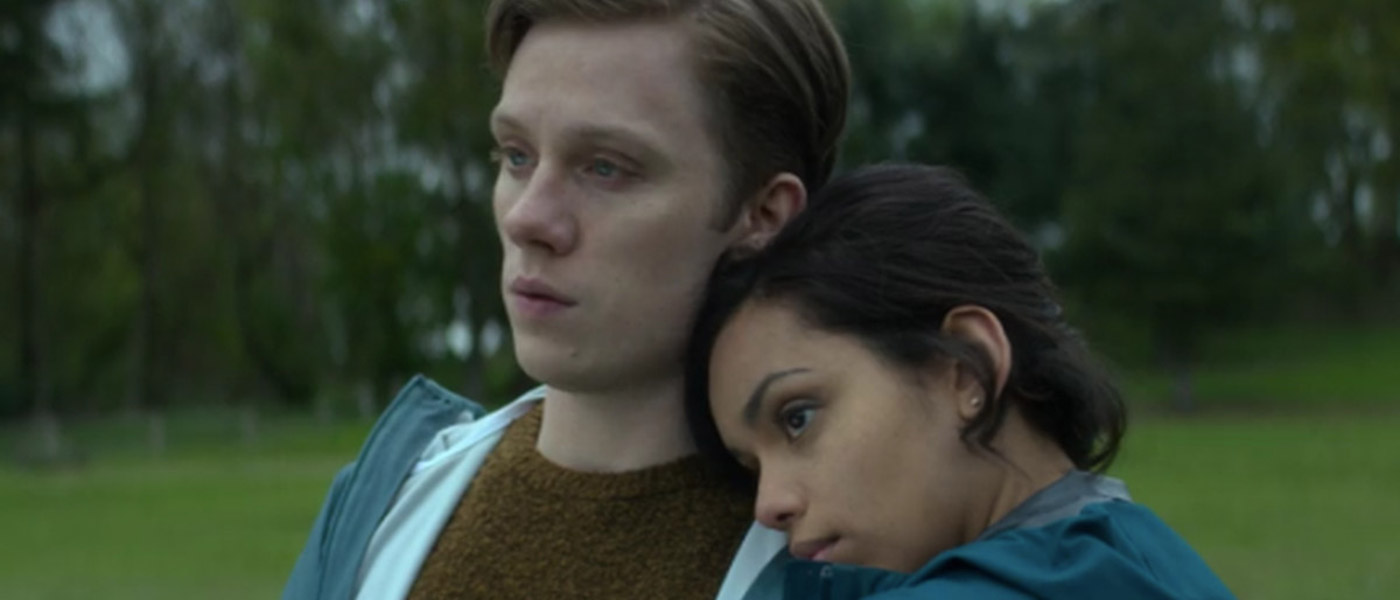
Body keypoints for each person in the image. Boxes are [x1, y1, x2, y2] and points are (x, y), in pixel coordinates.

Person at [282, 1, 850, 599]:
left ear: (763, 216)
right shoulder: (380, 507)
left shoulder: (846, 563)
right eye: (516, 155)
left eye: (605, 168)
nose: (527, 218)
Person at [684, 164, 1236, 599]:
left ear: (968, 366)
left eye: (797, 418)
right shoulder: (1147, 556)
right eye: (751, 468)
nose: (768, 506)